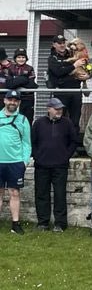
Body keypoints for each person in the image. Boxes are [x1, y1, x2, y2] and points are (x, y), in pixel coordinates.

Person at [31, 97, 77, 232]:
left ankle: (60, 223)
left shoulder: (67, 123)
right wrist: (37, 156)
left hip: (60, 166)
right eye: (56, 109)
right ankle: (43, 222)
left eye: (60, 109)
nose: (59, 111)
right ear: (48, 109)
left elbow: (74, 141)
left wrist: (65, 156)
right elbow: (33, 142)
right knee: (41, 194)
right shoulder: (38, 123)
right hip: (41, 165)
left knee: (60, 194)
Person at [0, 90, 32, 234]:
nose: (12, 102)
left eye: (15, 100)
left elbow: (26, 143)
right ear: (4, 101)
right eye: (10, 99)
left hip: (15, 162)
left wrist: (24, 161)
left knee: (14, 193)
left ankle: (15, 224)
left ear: (19, 103)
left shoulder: (23, 120)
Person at [47, 34, 84, 137]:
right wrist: (73, 66)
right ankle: (58, 142)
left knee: (75, 120)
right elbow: (58, 72)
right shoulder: (52, 58)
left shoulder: (73, 54)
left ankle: (73, 147)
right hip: (61, 92)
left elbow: (83, 65)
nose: (62, 45)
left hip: (76, 92)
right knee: (59, 118)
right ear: (54, 45)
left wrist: (85, 72)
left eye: (63, 42)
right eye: (59, 43)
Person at [6, 48, 37, 123]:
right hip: (13, 99)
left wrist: (16, 81)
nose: (21, 59)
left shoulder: (30, 68)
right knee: (12, 120)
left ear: (26, 58)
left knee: (27, 120)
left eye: (23, 57)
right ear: (15, 58)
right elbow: (9, 84)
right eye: (19, 57)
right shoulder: (10, 68)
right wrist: (23, 79)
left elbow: (32, 85)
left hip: (28, 98)